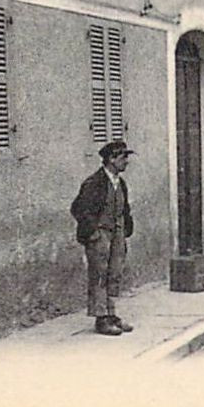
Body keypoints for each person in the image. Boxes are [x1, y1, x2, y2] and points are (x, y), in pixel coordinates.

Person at [70, 140, 136, 336]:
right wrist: (94, 232)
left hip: (117, 234)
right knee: (99, 275)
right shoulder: (94, 183)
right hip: (100, 236)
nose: (126, 162)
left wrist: (125, 230)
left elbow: (124, 209)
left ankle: (111, 314)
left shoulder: (120, 183)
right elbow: (78, 209)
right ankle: (101, 319)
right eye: (123, 157)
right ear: (111, 159)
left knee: (114, 273)